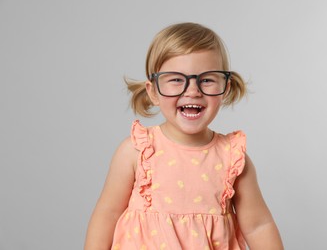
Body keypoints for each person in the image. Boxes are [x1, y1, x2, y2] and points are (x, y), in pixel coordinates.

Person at [84, 22, 284, 250]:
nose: (193, 91)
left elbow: (258, 225)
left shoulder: (233, 160)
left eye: (207, 79)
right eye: (176, 79)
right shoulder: (136, 152)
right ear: (153, 91)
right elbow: (107, 215)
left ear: (225, 87)